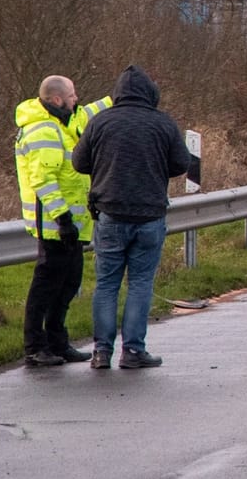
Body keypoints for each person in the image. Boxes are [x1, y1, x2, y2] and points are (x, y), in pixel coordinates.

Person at [71, 66, 199, 369]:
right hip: (149, 215)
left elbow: (79, 163)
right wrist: (154, 168)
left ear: (117, 93)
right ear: (150, 94)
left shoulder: (100, 122)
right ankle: (133, 351)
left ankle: (101, 352)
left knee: (106, 285)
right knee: (140, 283)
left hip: (110, 214)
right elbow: (182, 163)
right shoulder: (162, 124)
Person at [13, 76, 111, 367]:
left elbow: (90, 112)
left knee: (68, 283)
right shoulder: (42, 128)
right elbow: (43, 179)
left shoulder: (66, 120)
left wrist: (120, 95)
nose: (76, 98)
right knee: (46, 285)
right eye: (72, 95)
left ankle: (58, 341)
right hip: (55, 223)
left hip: (73, 223)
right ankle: (35, 346)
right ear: (57, 100)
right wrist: (63, 218)